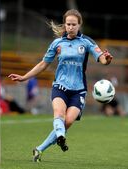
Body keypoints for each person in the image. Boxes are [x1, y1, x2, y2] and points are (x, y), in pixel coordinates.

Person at [8, 9, 113, 162]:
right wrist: (24, 77)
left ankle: (39, 149)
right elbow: (43, 64)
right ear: (64, 24)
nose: (70, 27)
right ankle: (61, 137)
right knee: (59, 114)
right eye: (68, 24)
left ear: (79, 25)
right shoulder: (57, 43)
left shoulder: (86, 42)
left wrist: (108, 59)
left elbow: (103, 59)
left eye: (74, 24)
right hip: (60, 87)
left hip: (79, 91)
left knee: (68, 121)